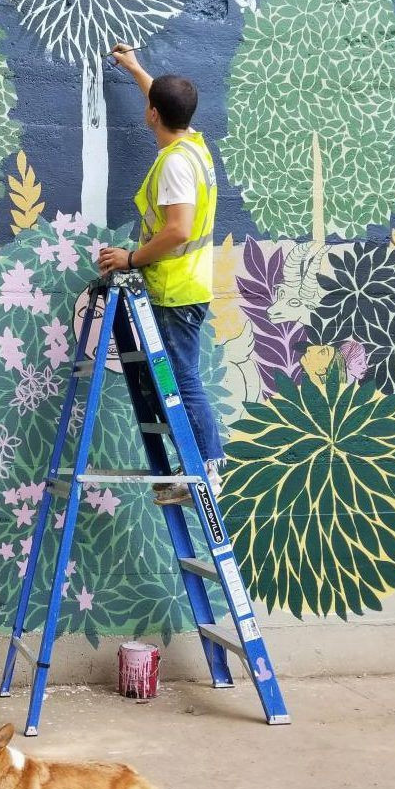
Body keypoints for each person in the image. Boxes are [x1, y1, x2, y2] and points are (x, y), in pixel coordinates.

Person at [97, 45, 223, 506]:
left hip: (174, 287)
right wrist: (134, 69)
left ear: (152, 115)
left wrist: (130, 259)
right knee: (170, 379)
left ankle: (206, 469)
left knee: (182, 380)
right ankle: (195, 467)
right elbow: (164, 100)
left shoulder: (174, 165)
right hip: (188, 283)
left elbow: (178, 229)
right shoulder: (193, 146)